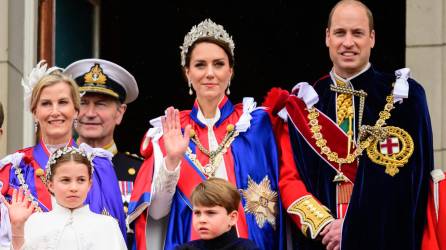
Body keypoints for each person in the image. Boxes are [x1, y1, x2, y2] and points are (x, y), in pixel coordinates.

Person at [263, 1, 433, 249]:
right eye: (340, 33)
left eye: (358, 33)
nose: (348, 42)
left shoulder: (405, 99)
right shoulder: (303, 105)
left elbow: (409, 184)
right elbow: (290, 179)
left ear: (372, 38)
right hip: (323, 243)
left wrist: (355, 227)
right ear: (327, 37)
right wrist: (325, 227)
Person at [129, 19, 285, 250]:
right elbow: (156, 218)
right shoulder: (169, 131)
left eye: (219, 64)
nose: (210, 73)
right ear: (187, 73)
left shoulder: (257, 125)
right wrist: (172, 162)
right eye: (200, 65)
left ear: (230, 71)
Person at [0, 61, 126, 249]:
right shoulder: (13, 170)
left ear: (76, 110)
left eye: (63, 102)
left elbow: (116, 236)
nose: (55, 111)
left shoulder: (99, 166)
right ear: (35, 112)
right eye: (46, 104)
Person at [64, 58, 142, 247]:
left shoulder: (141, 172)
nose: (90, 113)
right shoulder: (52, 166)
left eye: (101, 104)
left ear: (120, 113)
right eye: (83, 103)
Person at [0, 145, 127, 250]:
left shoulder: (107, 225)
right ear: (50, 185)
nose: (73, 187)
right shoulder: (35, 222)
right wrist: (17, 227)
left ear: (90, 184)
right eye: (65, 180)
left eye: (81, 180)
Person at [175, 178, 259, 250]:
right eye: (197, 213)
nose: (202, 220)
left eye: (210, 213)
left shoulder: (246, 248)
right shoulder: (185, 249)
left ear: (232, 218)